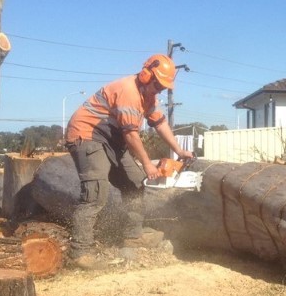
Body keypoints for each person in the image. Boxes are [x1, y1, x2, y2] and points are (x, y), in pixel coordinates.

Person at [64, 54, 194, 268]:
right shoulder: (129, 92)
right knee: (96, 192)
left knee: (135, 182)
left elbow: (160, 123)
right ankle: (80, 251)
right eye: (159, 84)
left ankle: (132, 235)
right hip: (87, 135)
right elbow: (131, 135)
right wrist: (147, 164)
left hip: (111, 139)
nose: (160, 90)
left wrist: (179, 150)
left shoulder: (148, 97)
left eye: (164, 87)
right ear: (146, 75)